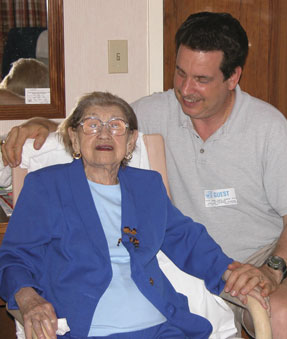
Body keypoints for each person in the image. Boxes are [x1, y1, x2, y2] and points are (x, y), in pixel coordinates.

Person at [1, 12, 287, 338]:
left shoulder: (265, 128)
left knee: (277, 314)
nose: (185, 89)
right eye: (180, 73)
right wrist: (42, 123)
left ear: (233, 78)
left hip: (257, 258)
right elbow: (98, 122)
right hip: (126, 300)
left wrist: (266, 270)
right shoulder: (148, 116)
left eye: (201, 80)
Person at [0, 91, 266, 339]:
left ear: (130, 142)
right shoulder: (46, 186)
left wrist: (230, 271)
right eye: (92, 124)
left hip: (161, 326)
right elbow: (14, 258)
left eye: (116, 125)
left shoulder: (146, 186)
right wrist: (28, 299)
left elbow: (186, 238)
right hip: (88, 329)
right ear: (74, 137)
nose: (104, 134)